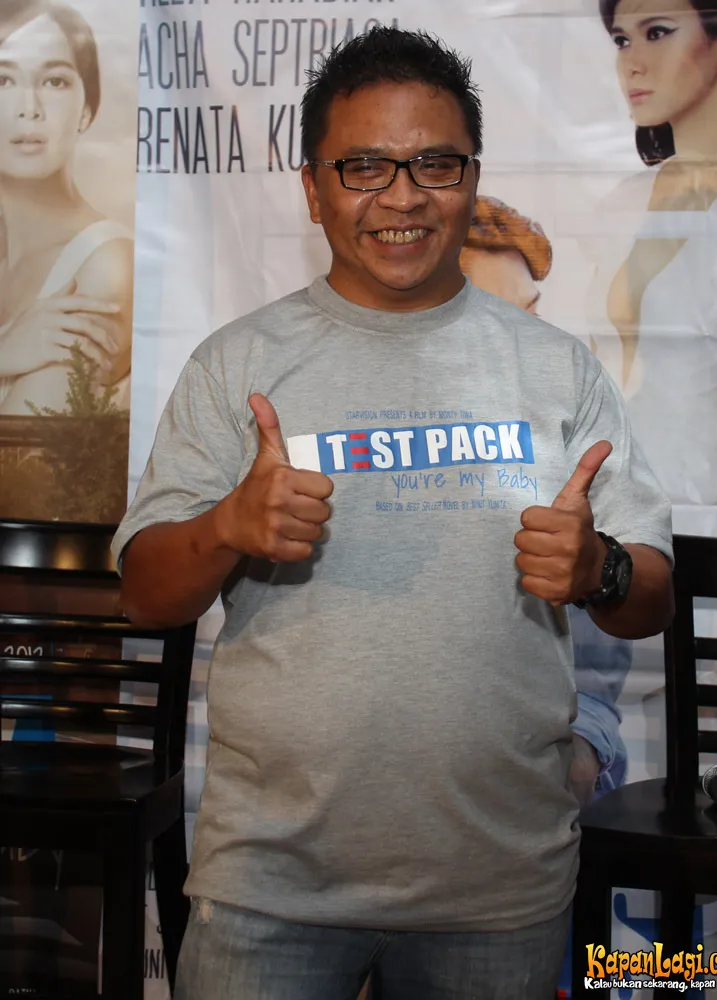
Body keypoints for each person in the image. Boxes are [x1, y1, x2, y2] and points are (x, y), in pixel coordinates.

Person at [114, 26, 674, 1000]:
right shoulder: (237, 363)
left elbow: (651, 597)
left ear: (472, 178)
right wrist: (225, 528)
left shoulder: (557, 368)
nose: (403, 196)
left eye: (434, 164)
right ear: (313, 186)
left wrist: (602, 570)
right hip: (270, 887)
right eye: (364, 165)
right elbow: (143, 595)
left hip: (498, 886)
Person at [461, 195, 631, 804]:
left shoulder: (579, 447)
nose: (522, 344)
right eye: (491, 320)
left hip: (539, 782)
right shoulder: (365, 441)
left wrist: (583, 747)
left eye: (530, 315)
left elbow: (598, 676)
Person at [589, 0, 717, 512]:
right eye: (622, 40)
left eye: (658, 32)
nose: (632, 63)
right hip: (617, 513)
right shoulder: (623, 202)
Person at [0, 0, 133, 416]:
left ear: (87, 109)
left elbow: (28, 454)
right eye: (3, 80)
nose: (29, 108)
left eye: (54, 81)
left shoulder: (104, 266)